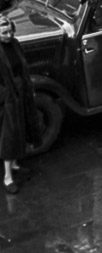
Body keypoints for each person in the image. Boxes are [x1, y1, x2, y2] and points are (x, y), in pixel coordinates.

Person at [0, 16, 40, 194]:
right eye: (4, 33)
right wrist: (6, 96)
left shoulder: (14, 43)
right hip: (7, 96)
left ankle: (15, 165)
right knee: (9, 135)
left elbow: (22, 67)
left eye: (10, 31)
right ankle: (7, 177)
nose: (8, 35)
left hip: (21, 89)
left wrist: (28, 88)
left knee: (21, 128)